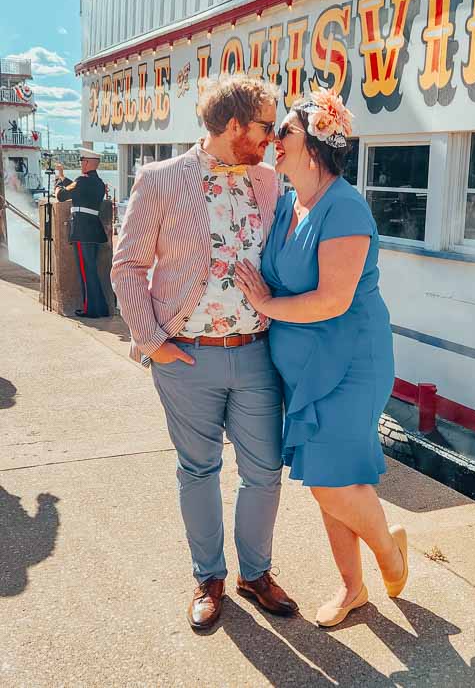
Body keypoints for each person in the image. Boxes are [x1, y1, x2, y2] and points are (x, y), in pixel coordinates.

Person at [111, 77, 298, 631]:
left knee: (264, 472)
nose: (273, 137)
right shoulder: (161, 179)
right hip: (187, 356)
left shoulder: (268, 182)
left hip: (258, 352)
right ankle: (209, 578)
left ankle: (256, 573)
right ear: (235, 125)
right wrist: (153, 343)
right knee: (199, 469)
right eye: (266, 126)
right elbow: (127, 266)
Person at [236, 89, 408, 628]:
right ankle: (353, 588)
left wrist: (264, 304)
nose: (272, 141)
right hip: (304, 368)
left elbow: (333, 299)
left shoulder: (346, 207)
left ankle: (388, 552)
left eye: (282, 132)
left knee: (333, 481)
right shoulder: (289, 200)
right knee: (327, 480)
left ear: (311, 147)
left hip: (351, 361)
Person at [54, 148, 110, 319]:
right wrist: (63, 176)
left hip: (81, 230)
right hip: (93, 228)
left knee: (87, 272)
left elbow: (62, 195)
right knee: (92, 270)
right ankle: (101, 308)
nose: (80, 165)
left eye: (81, 162)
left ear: (87, 163)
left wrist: (57, 184)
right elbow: (78, 188)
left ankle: (91, 310)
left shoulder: (81, 181)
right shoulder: (99, 183)